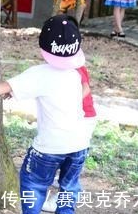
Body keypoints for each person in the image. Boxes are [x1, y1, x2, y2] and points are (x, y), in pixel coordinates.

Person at [0, 14, 91, 214]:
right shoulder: (75, 74)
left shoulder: (39, 73)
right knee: (69, 188)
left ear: (44, 48)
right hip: (80, 145)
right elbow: (80, 90)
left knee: (34, 184)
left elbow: (7, 85)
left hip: (49, 147)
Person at [41, 65, 97, 212]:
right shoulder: (67, 61)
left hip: (82, 119)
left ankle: (64, 196)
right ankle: (66, 190)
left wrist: (66, 102)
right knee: (66, 160)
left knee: (71, 162)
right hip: (73, 120)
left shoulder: (74, 64)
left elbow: (85, 88)